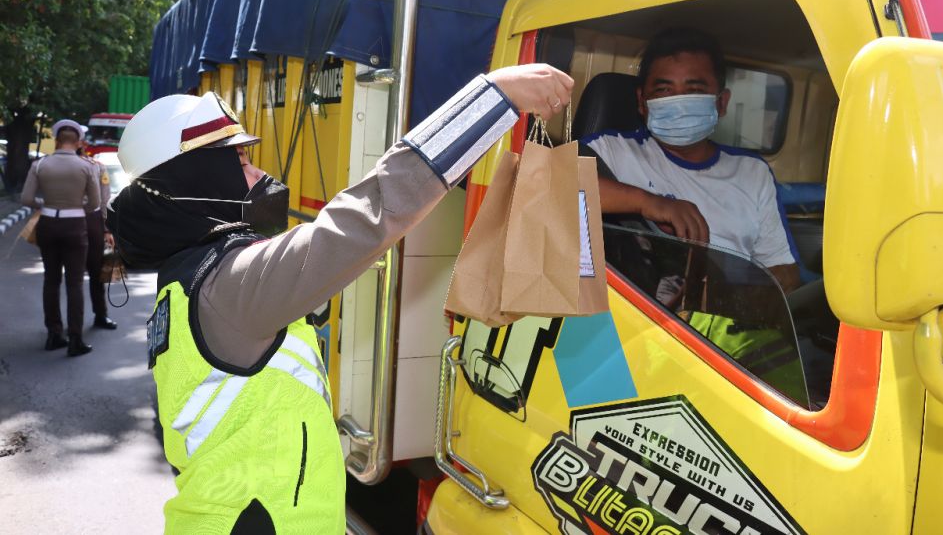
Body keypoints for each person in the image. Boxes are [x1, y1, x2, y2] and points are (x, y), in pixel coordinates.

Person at [106, 64, 572, 533]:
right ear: (196, 181)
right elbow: (369, 214)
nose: (262, 173)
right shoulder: (230, 285)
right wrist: (493, 96)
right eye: (242, 163)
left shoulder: (192, 276)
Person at [580, 28, 800, 293]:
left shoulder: (753, 171)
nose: (678, 103)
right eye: (664, 90)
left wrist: (727, 297)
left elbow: (783, 269)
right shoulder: (612, 150)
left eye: (694, 90)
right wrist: (648, 202)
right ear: (642, 101)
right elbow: (550, 186)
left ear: (721, 103)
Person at [20, 119, 100, 357]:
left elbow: (26, 199)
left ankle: (54, 334)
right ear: (78, 142)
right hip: (75, 225)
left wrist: (45, 204)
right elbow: (95, 203)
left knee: (51, 280)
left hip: (48, 224)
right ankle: (75, 339)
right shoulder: (86, 166)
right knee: (75, 283)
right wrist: (77, 208)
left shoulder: (40, 165)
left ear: (56, 140)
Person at [78, 128, 117, 330]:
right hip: (91, 221)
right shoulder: (96, 166)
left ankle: (69, 326)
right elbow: (104, 200)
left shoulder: (97, 166)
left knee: (76, 276)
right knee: (95, 272)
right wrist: (106, 228)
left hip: (73, 221)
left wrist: (106, 229)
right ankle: (100, 315)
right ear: (82, 144)